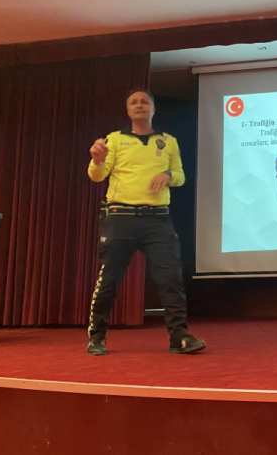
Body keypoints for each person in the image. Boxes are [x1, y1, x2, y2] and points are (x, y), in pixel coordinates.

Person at [85, 89, 205, 356]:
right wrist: (97, 160)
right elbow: (97, 175)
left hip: (157, 219)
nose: (139, 105)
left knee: (171, 279)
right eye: (134, 102)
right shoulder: (114, 139)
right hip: (120, 218)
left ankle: (179, 338)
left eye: (144, 102)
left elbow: (181, 176)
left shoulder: (168, 141)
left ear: (153, 109)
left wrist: (168, 175)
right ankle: (96, 338)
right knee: (109, 280)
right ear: (128, 110)